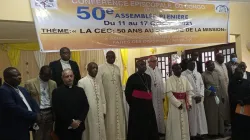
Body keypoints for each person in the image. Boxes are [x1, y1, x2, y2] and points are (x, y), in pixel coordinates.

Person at [0, 67, 40, 140]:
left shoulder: (22, 89)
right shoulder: (3, 90)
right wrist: (33, 115)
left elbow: (32, 102)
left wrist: (37, 114)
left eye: (19, 75)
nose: (20, 77)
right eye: (16, 76)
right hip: (13, 130)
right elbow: (13, 108)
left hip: (24, 128)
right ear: (7, 78)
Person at [125, 60, 159, 140]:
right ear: (137, 67)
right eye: (141, 65)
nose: (143, 66)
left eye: (144, 64)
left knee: (149, 125)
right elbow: (128, 93)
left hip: (148, 105)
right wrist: (133, 104)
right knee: (138, 126)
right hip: (137, 107)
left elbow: (149, 90)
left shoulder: (148, 77)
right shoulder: (132, 78)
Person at [52, 69, 89, 140]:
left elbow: (86, 106)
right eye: (67, 76)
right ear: (62, 78)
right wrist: (71, 122)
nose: (69, 78)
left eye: (71, 76)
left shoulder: (80, 90)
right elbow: (57, 110)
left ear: (73, 76)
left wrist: (79, 120)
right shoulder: (57, 92)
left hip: (78, 127)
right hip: (63, 128)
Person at [97, 51, 126, 140]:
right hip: (107, 98)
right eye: (110, 57)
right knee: (109, 119)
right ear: (106, 57)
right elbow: (99, 84)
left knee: (119, 117)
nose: (112, 58)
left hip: (118, 98)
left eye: (113, 57)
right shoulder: (100, 68)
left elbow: (119, 84)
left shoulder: (117, 68)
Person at [24, 65, 57, 140]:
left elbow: (55, 99)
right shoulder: (30, 83)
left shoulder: (53, 83)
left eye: (49, 76)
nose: (47, 78)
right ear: (40, 73)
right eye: (45, 76)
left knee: (49, 136)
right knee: (38, 136)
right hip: (38, 113)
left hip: (50, 112)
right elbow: (26, 101)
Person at [78, 62, 106, 140]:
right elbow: (80, 101)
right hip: (89, 112)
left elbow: (103, 96)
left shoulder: (99, 81)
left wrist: (104, 110)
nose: (95, 70)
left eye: (96, 68)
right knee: (91, 131)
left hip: (100, 110)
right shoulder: (82, 82)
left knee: (101, 130)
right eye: (93, 68)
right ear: (88, 69)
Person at [165, 63, 194, 140]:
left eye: (180, 69)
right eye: (176, 69)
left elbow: (189, 92)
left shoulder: (184, 79)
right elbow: (169, 94)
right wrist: (178, 104)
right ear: (173, 70)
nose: (179, 70)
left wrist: (189, 103)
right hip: (174, 106)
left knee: (184, 122)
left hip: (184, 104)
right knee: (175, 124)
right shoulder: (169, 80)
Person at [182, 61, 208, 139]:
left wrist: (200, 95)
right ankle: (193, 134)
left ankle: (201, 132)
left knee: (200, 115)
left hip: (199, 99)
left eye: (194, 64)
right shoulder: (184, 74)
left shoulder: (198, 74)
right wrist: (194, 96)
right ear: (188, 64)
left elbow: (202, 85)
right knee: (192, 117)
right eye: (191, 64)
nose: (193, 65)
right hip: (191, 99)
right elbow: (185, 87)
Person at [202, 61, 225, 138]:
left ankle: (221, 131)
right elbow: (202, 87)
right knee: (211, 115)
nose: (212, 66)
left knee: (220, 113)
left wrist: (222, 96)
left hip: (218, 94)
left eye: (213, 64)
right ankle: (212, 133)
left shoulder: (216, 73)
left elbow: (220, 85)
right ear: (206, 66)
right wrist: (208, 92)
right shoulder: (203, 75)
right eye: (210, 65)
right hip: (210, 97)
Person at [145, 56, 165, 136]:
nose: (154, 62)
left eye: (155, 61)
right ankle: (154, 131)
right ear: (148, 62)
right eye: (152, 61)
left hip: (159, 95)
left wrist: (163, 94)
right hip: (151, 95)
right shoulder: (146, 71)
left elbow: (162, 82)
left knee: (160, 111)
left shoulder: (158, 70)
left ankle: (161, 130)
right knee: (153, 112)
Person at [229, 67, 250, 140]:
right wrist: (237, 101)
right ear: (235, 74)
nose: (240, 75)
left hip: (246, 105)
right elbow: (230, 94)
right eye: (238, 73)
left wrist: (244, 101)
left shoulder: (247, 82)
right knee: (236, 123)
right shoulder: (231, 83)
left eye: (241, 73)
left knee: (246, 123)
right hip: (235, 106)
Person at [214, 53, 230, 123]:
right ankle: (222, 122)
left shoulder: (224, 65)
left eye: (223, 57)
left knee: (227, 104)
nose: (222, 59)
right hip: (219, 88)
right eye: (220, 58)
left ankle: (226, 120)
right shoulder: (214, 65)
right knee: (221, 105)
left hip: (227, 87)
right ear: (216, 58)